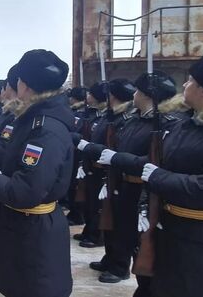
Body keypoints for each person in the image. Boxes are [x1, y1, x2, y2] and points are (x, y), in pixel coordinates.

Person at [104, 53, 203, 297]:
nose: (184, 86)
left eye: (190, 81)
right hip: (179, 234)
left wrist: (158, 177)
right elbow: (161, 160)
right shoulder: (189, 124)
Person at [0, 49, 74, 297]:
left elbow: (26, 191)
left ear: (25, 84)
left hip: (35, 233)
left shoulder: (44, 129)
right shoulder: (32, 119)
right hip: (22, 226)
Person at [93, 71, 183, 295]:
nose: (134, 95)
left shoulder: (168, 123)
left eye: (138, 91)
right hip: (124, 183)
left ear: (145, 95)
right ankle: (118, 263)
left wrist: (120, 159)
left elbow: (157, 159)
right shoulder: (135, 119)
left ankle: (137, 278)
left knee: (142, 239)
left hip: (144, 189)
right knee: (121, 230)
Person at [76, 78, 136, 283]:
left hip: (119, 176)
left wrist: (89, 148)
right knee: (106, 216)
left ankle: (120, 266)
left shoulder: (126, 118)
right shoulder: (109, 115)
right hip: (103, 172)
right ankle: (109, 258)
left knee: (120, 225)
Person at [73, 82, 107, 248]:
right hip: (89, 163)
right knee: (89, 203)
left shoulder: (106, 118)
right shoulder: (96, 116)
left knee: (97, 205)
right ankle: (90, 230)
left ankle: (96, 235)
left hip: (101, 167)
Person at [65, 87, 88, 226]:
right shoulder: (73, 112)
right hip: (74, 153)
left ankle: (77, 214)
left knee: (77, 186)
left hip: (79, 154)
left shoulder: (81, 114)